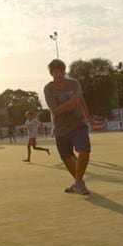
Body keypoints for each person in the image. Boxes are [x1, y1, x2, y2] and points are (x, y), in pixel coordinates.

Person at [43, 59, 93, 195]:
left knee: (84, 149)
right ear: (51, 73)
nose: (59, 74)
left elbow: (81, 100)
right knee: (67, 157)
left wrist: (88, 117)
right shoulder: (49, 89)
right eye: (56, 71)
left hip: (78, 123)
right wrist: (72, 101)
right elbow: (56, 110)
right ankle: (79, 182)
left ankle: (77, 183)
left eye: (61, 71)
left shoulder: (74, 84)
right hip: (60, 128)